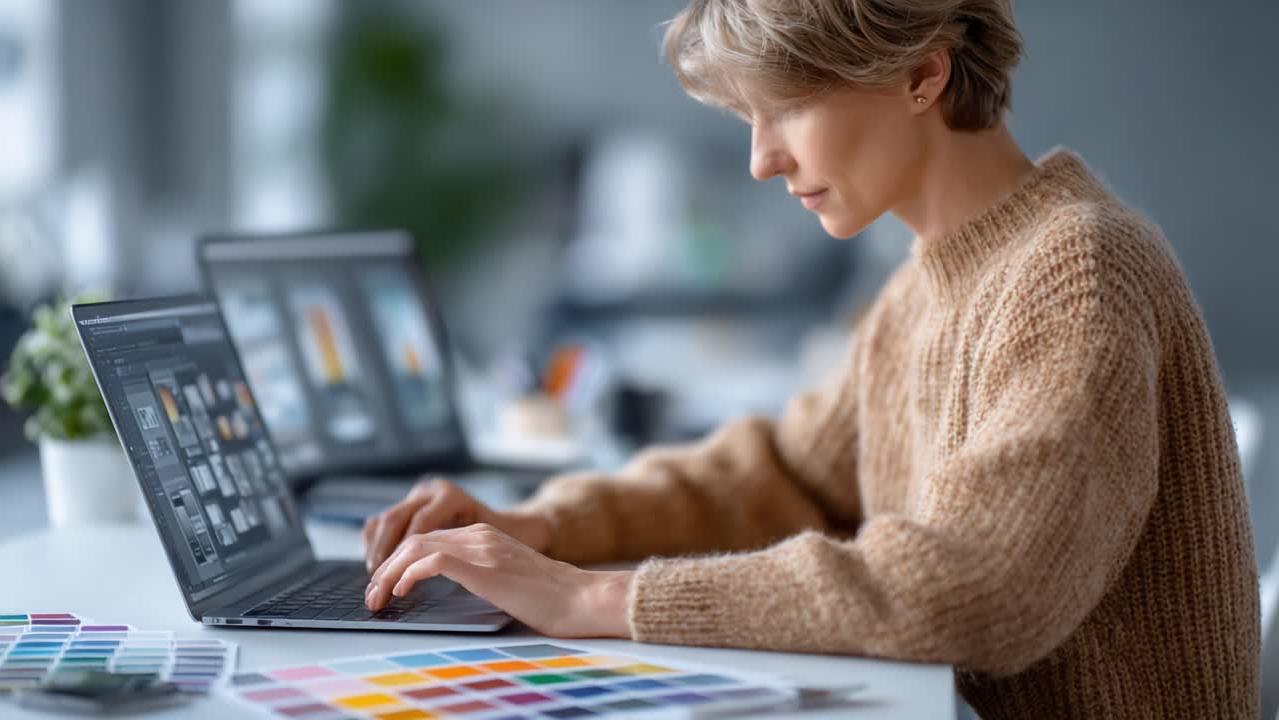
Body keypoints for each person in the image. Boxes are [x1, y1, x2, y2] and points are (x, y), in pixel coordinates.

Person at [360, 0, 1260, 716]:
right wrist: (545, 528)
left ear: (922, 73)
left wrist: (591, 600)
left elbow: (976, 589)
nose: (760, 159)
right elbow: (785, 474)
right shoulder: (929, 283)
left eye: (787, 105)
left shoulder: (1080, 271)